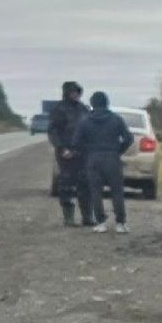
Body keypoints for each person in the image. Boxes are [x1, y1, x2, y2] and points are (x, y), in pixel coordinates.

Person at [72, 91, 134, 233]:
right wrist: (118, 150)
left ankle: (101, 222)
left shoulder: (85, 120)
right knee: (117, 191)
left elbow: (76, 142)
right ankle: (120, 223)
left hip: (93, 158)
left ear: (92, 104)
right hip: (112, 157)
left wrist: (87, 152)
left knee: (95, 191)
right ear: (107, 103)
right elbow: (128, 138)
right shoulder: (116, 119)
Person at [48, 81, 93, 227]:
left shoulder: (84, 109)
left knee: (85, 183)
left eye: (77, 92)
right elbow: (53, 132)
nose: (75, 95)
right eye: (73, 92)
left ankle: (87, 216)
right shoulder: (59, 110)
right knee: (66, 184)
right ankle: (69, 217)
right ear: (67, 93)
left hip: (83, 152)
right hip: (66, 153)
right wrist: (62, 149)